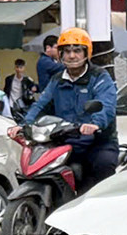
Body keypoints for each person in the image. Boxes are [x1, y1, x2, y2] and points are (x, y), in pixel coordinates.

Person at [18, 26, 120, 192]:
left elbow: (106, 104)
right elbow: (41, 104)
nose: (72, 56)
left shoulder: (99, 76)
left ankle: (103, 210)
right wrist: (24, 125)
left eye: (77, 50)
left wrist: (95, 123)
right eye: (67, 51)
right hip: (66, 141)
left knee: (104, 167)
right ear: (60, 54)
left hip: (98, 142)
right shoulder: (57, 80)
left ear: (87, 53)